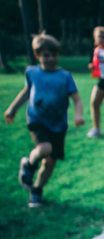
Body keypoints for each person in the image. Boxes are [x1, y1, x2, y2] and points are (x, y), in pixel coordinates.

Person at [4, 32, 84, 207]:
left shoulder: (65, 76)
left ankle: (37, 190)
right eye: (47, 55)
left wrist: (78, 114)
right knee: (45, 148)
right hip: (37, 119)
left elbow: (76, 99)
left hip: (58, 124)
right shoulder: (32, 73)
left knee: (50, 163)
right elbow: (26, 93)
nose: (51, 59)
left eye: (54, 55)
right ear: (37, 55)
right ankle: (29, 164)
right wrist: (12, 108)